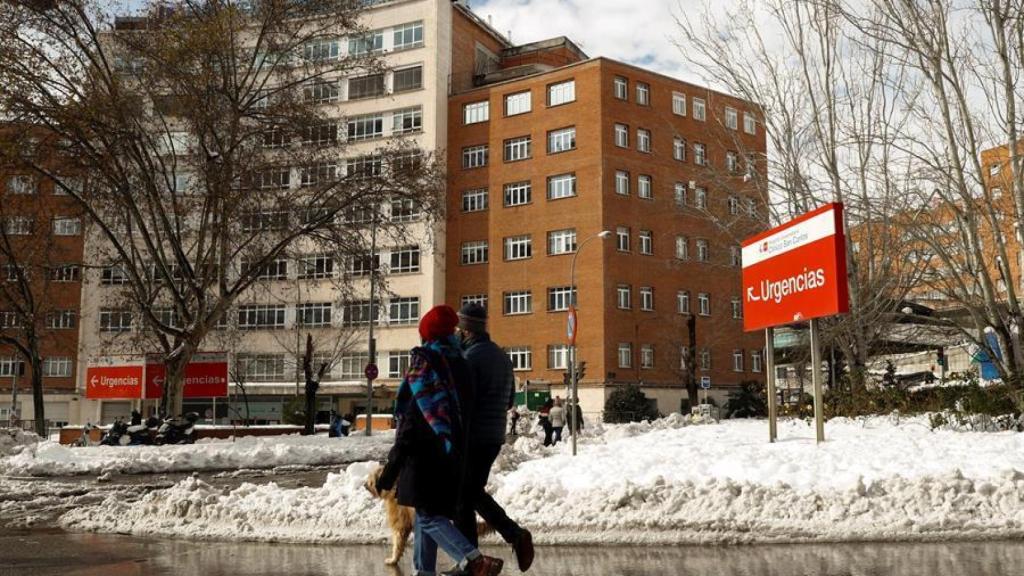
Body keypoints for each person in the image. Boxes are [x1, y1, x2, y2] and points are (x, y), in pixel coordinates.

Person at [375, 305, 504, 576]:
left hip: (424, 458)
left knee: (427, 516)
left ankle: (473, 559)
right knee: (427, 516)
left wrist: (391, 469)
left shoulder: (425, 364)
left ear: (426, 335)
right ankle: (424, 571)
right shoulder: (463, 364)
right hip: (454, 454)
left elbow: (410, 424)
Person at [454, 303, 535, 573]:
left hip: (472, 435)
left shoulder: (469, 358)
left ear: (466, 330)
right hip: (493, 436)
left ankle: (501, 542)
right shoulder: (501, 356)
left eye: (459, 328)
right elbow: (510, 400)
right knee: (470, 494)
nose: (457, 333)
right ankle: (475, 558)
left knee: (463, 497)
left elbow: (463, 400)